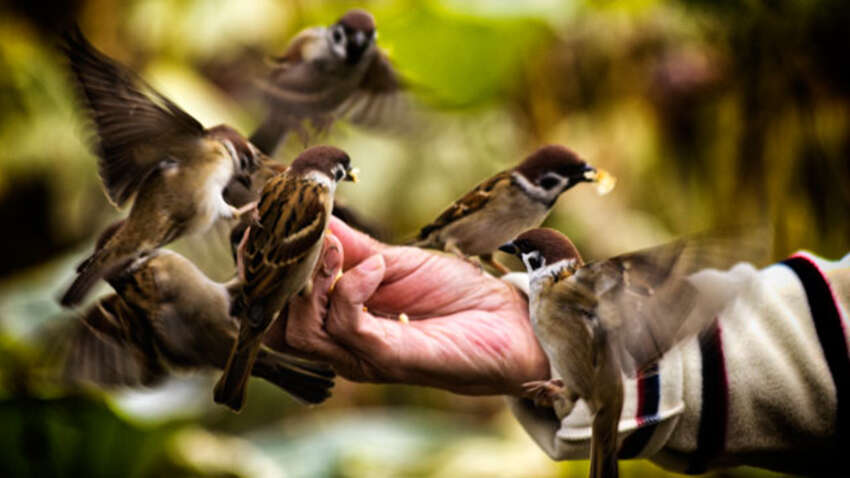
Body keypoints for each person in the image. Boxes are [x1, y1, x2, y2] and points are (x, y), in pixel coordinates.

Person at [275, 216, 850, 476]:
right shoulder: (556, 295)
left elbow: (648, 295)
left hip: (604, 390)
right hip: (600, 385)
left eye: (522, 255)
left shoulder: (579, 287)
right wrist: (533, 347)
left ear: (537, 262)